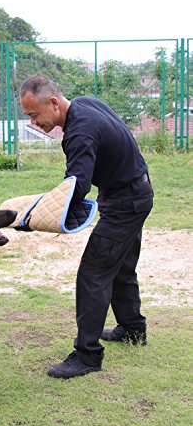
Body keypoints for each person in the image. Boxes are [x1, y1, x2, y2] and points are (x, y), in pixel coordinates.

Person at [20, 74, 154, 379]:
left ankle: (87, 355)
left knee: (94, 272)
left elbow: (76, 187)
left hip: (125, 202)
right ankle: (132, 329)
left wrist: (33, 216)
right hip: (134, 192)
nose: (33, 122)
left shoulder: (78, 132)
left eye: (34, 114)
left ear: (53, 103)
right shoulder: (84, 104)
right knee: (119, 266)